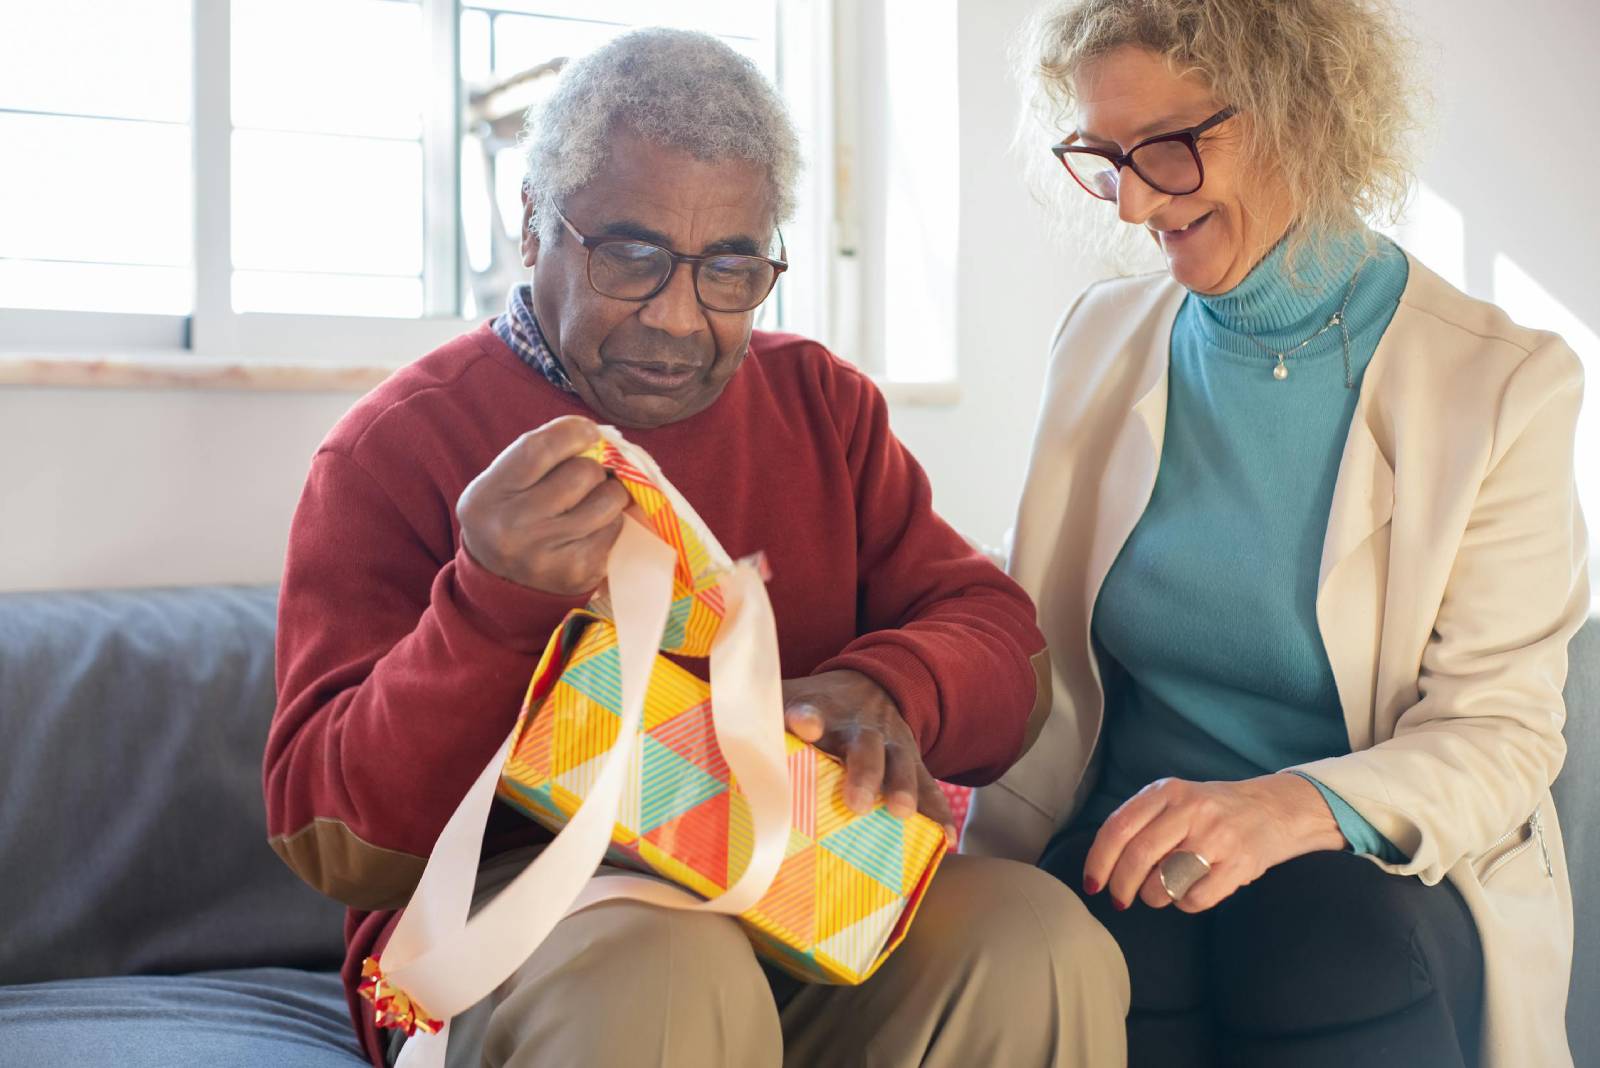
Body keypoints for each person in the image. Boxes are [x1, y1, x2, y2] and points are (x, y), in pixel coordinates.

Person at [264, 27, 1128, 1068]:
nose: (678, 319)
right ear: (534, 225)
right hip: (521, 930)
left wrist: (890, 687)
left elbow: (1003, 647)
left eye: (729, 268)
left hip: (806, 896)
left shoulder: (820, 405)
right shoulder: (396, 447)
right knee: (669, 967)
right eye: (632, 256)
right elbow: (336, 839)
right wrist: (490, 603)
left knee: (1034, 936)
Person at [962, 2, 1589, 1066]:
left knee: (1309, 940)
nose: (1133, 206)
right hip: (1133, 842)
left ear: (1304, 110)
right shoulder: (1099, 338)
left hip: (1371, 867)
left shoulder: (1506, 383)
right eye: (1104, 159)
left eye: (1165, 147)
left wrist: (1288, 808)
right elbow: (1039, 648)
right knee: (1107, 935)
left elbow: (1503, 737)